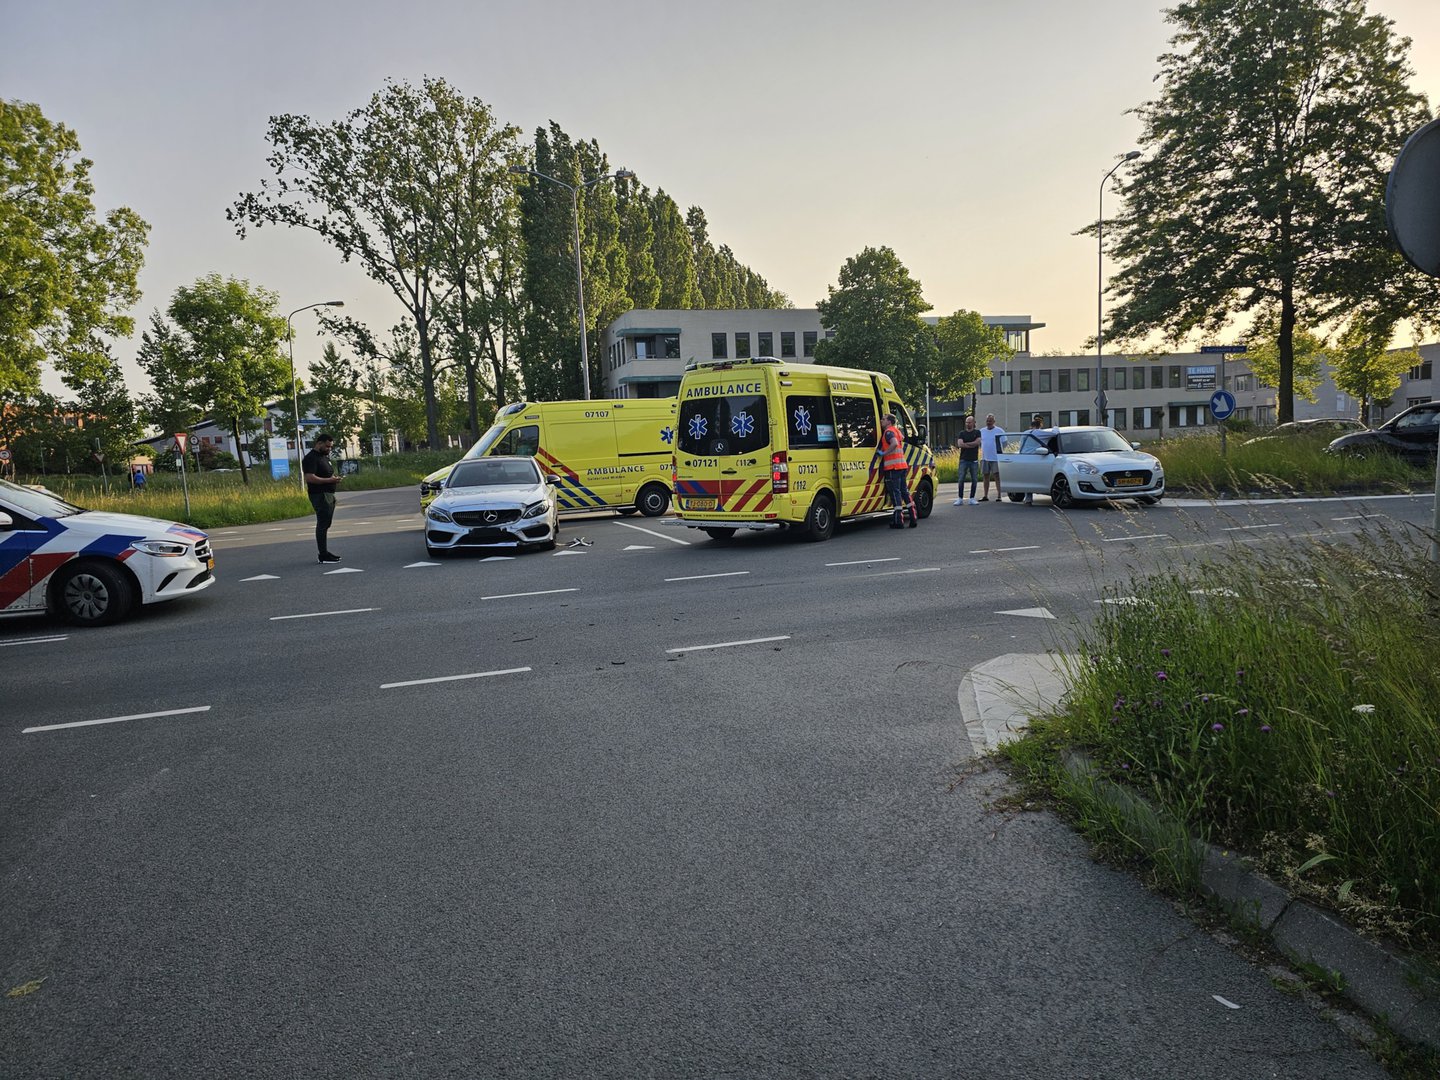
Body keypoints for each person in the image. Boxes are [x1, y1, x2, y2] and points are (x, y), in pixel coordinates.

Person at [870, 412, 917, 529]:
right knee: (905, 492)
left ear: (889, 422)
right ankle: (913, 517)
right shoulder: (896, 431)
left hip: (893, 468)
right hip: (901, 466)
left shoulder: (888, 432)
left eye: (883, 419)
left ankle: (898, 521)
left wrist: (884, 453)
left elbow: (894, 444)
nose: (881, 421)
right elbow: (901, 440)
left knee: (895, 493)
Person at [302, 433, 343, 563]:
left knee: (326, 524)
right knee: (322, 524)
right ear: (319, 443)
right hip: (320, 494)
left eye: (330, 447)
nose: (329, 449)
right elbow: (310, 477)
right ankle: (323, 554)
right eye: (327, 446)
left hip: (328, 494)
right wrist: (329, 480)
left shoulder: (323, 457)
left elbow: (325, 473)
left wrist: (333, 479)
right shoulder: (311, 458)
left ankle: (324, 552)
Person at [1022, 414, 1055, 505]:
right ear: (1040, 425)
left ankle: (1028, 499)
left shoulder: (1025, 433)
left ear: (1031, 425)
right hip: (1034, 458)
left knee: (1027, 479)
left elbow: (1021, 446)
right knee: (1032, 478)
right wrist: (1055, 427)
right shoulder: (1040, 432)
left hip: (1023, 458)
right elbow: (1055, 433)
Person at [952, 416, 981, 505]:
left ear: (973, 423)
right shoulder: (962, 433)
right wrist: (971, 445)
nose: (968, 424)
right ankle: (960, 498)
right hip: (963, 459)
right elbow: (960, 444)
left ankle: (972, 498)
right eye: (966, 422)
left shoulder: (977, 432)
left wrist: (966, 444)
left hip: (974, 460)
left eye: (969, 422)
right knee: (961, 479)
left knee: (974, 479)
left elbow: (977, 443)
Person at [979, 414, 1006, 502]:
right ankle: (985, 495)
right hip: (985, 457)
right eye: (987, 421)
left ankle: (999, 496)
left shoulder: (999, 431)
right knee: (985, 476)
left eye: (990, 421)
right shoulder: (982, 431)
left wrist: (1000, 452)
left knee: (997, 476)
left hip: (995, 458)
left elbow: (1005, 443)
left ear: (994, 421)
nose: (988, 422)